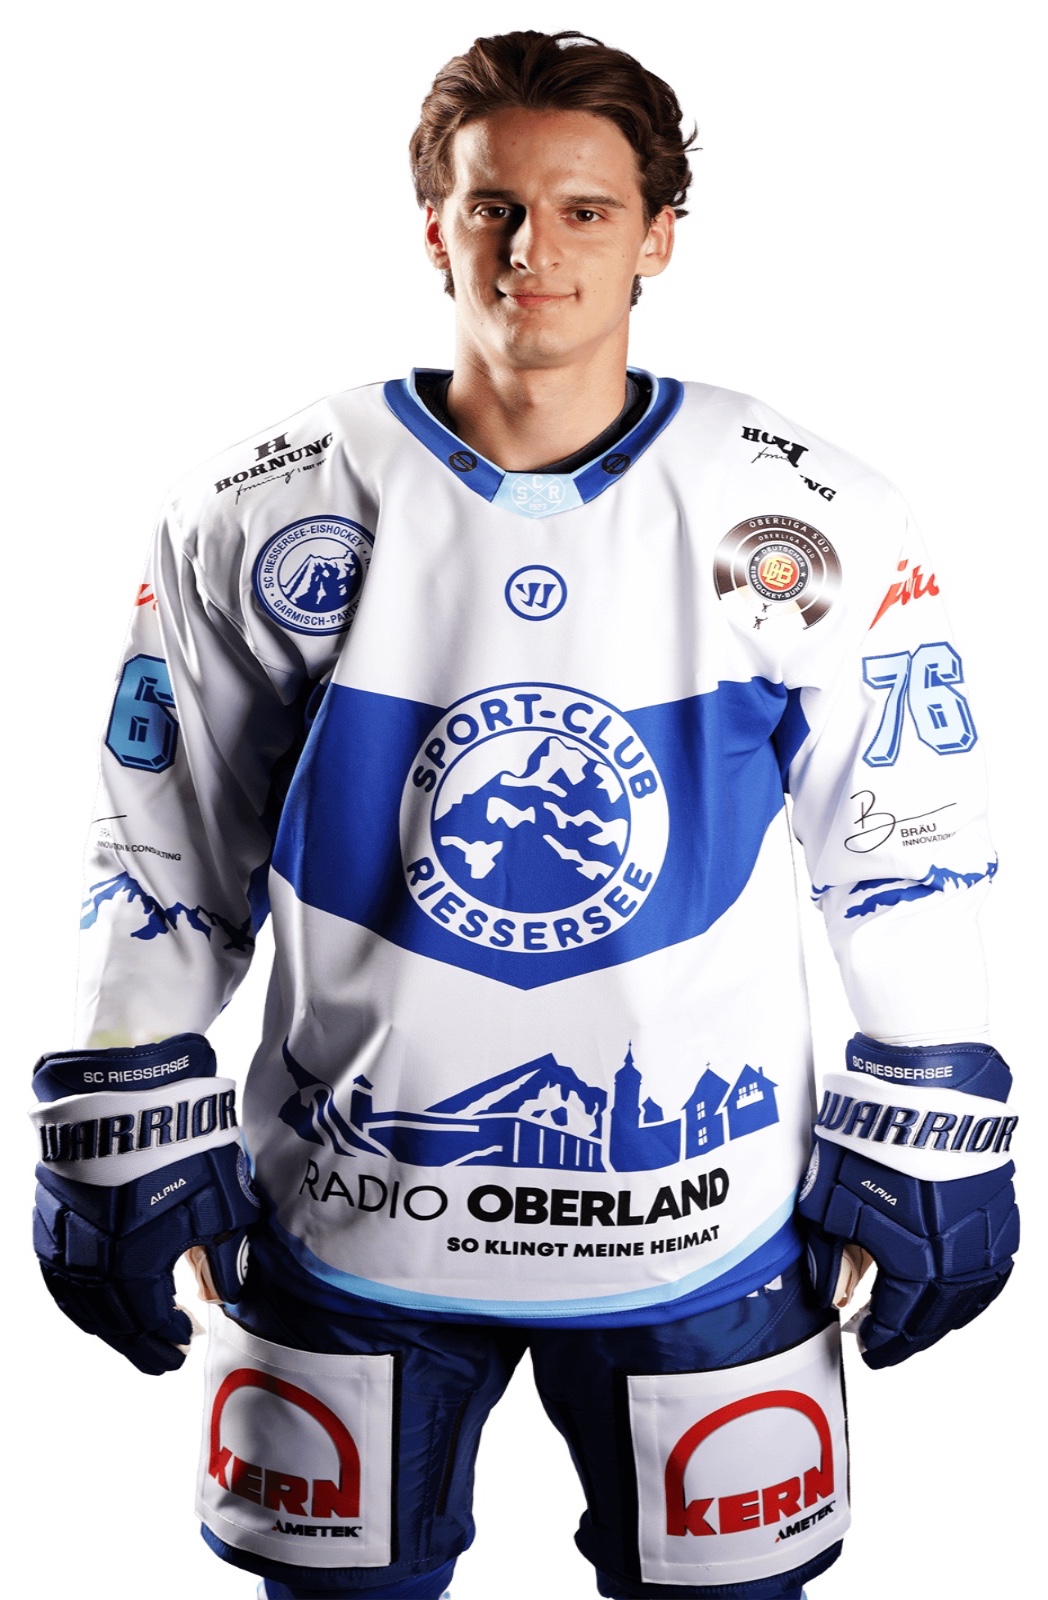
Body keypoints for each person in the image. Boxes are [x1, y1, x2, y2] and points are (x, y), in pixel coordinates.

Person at [30, 28, 1018, 1600]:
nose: (531, 250)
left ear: (659, 236)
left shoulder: (809, 514)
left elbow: (903, 847)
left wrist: (935, 1099)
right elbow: (163, 837)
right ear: (434, 224)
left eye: (584, 211)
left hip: (702, 1229)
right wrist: (121, 1092)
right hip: (350, 1220)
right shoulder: (264, 507)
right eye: (493, 206)